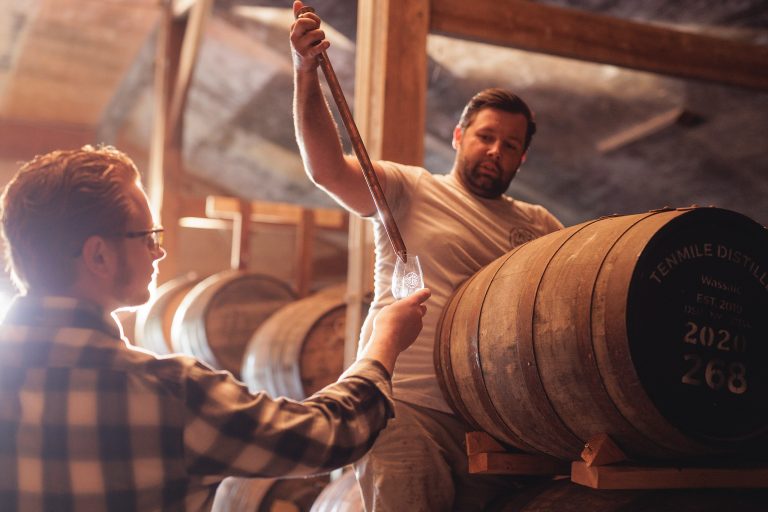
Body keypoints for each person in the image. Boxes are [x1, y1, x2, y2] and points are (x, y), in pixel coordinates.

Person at [0, 145, 431, 512]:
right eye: (148, 236)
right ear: (98, 257)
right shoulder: (168, 394)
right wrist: (384, 341)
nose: (159, 251)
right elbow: (330, 435)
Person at [290, 2, 564, 510]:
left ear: (522, 158)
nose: (494, 152)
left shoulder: (540, 225)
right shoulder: (410, 189)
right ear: (460, 137)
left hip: (495, 423)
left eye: (509, 145)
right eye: (485, 137)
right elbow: (326, 169)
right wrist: (306, 74)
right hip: (404, 405)